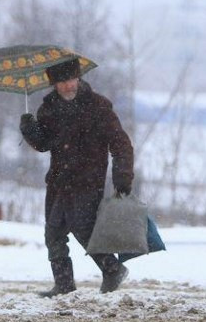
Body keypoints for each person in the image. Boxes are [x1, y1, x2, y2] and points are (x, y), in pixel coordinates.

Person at [19, 57, 135, 297]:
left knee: (83, 227)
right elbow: (43, 144)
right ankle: (63, 285)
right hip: (59, 181)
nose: (68, 85)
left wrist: (122, 175)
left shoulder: (98, 106)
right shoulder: (48, 108)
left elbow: (121, 143)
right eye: (62, 82)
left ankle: (112, 269)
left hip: (87, 180)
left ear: (78, 78)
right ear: (54, 84)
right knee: (53, 233)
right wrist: (30, 130)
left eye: (71, 79)